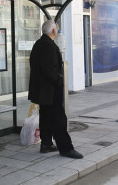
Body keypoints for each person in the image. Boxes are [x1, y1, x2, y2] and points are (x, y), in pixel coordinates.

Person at [28, 20, 83, 159]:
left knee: (46, 117)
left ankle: (46, 144)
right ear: (53, 31)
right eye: (57, 28)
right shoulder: (48, 46)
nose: (58, 30)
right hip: (50, 91)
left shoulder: (39, 44)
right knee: (59, 119)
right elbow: (50, 70)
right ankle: (66, 148)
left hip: (42, 91)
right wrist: (59, 81)